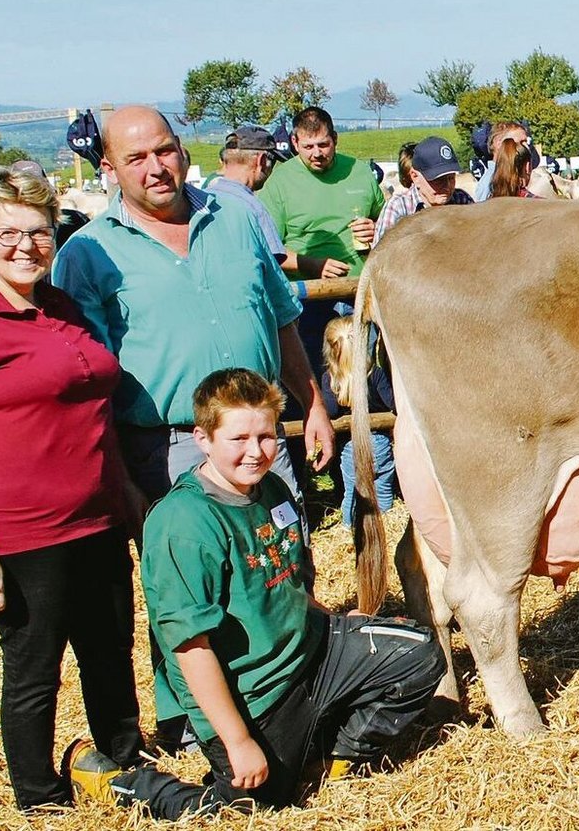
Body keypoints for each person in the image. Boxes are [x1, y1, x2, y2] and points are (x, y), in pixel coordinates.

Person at [50, 105, 336, 749]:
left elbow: (282, 318)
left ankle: (297, 701)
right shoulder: (89, 253)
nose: (155, 167)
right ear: (108, 168)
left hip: (263, 434)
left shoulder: (233, 218)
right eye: (136, 158)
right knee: (189, 592)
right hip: (165, 448)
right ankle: (194, 725)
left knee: (281, 565)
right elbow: (87, 382)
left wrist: (312, 403)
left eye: (165, 150)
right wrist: (119, 477)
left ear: (183, 150)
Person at [63, 368, 445, 820]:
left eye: (266, 436)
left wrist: (341, 625)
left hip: (310, 653)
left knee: (420, 656)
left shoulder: (273, 487)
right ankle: (121, 783)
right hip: (255, 694)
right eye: (238, 438)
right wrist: (238, 741)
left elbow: (285, 580)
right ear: (203, 438)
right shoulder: (183, 523)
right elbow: (190, 646)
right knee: (251, 807)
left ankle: (330, 755)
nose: (255, 451)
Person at [0, 167, 145, 812]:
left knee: (110, 652)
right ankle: (39, 798)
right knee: (35, 670)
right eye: (8, 233)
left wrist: (125, 497)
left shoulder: (59, 306)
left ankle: (123, 766)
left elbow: (95, 415)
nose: (25, 247)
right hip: (25, 529)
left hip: (96, 515)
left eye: (38, 232)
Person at [259, 106, 384, 281]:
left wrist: (376, 228)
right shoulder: (279, 182)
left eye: (323, 145)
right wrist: (310, 265)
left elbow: (388, 221)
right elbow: (266, 248)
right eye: (308, 147)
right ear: (295, 143)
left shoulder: (361, 172)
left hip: (360, 285)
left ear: (335, 139)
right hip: (308, 292)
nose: (317, 153)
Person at [321, 316, 396, 522]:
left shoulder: (330, 378)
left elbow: (331, 410)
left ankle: (348, 527)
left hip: (350, 448)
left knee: (352, 494)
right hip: (379, 444)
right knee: (382, 490)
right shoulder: (375, 373)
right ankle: (387, 525)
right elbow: (392, 403)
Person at [200, 126, 287, 264]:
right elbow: (273, 262)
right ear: (262, 161)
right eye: (273, 162)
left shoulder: (201, 200)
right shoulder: (252, 207)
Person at [374, 136, 472, 245]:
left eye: (451, 177)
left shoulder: (463, 201)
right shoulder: (398, 207)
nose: (447, 186)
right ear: (415, 176)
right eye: (438, 179)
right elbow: (380, 256)